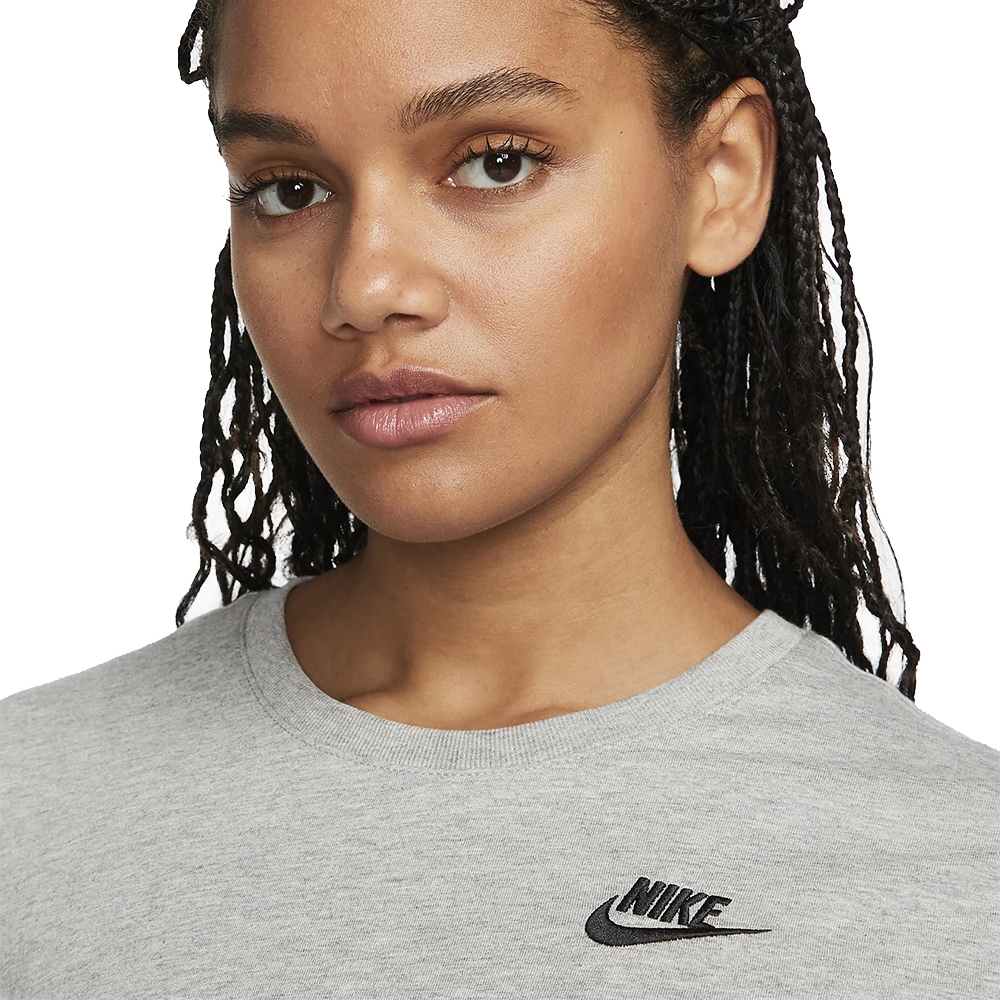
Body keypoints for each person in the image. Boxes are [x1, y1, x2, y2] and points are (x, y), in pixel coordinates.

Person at [1, 0, 997, 995]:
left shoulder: (962, 886)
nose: (365, 287)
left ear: (720, 178)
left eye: (496, 164)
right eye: (288, 189)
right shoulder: (29, 810)